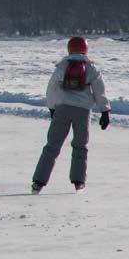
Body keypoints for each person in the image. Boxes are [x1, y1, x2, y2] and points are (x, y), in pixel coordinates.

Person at [31, 36, 111, 194]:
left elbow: (51, 88)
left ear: (69, 48)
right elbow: (100, 91)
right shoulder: (91, 68)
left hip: (63, 109)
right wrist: (105, 111)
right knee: (80, 146)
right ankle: (79, 181)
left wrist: (52, 107)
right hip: (83, 112)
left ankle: (38, 182)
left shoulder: (62, 66)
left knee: (52, 146)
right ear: (85, 49)